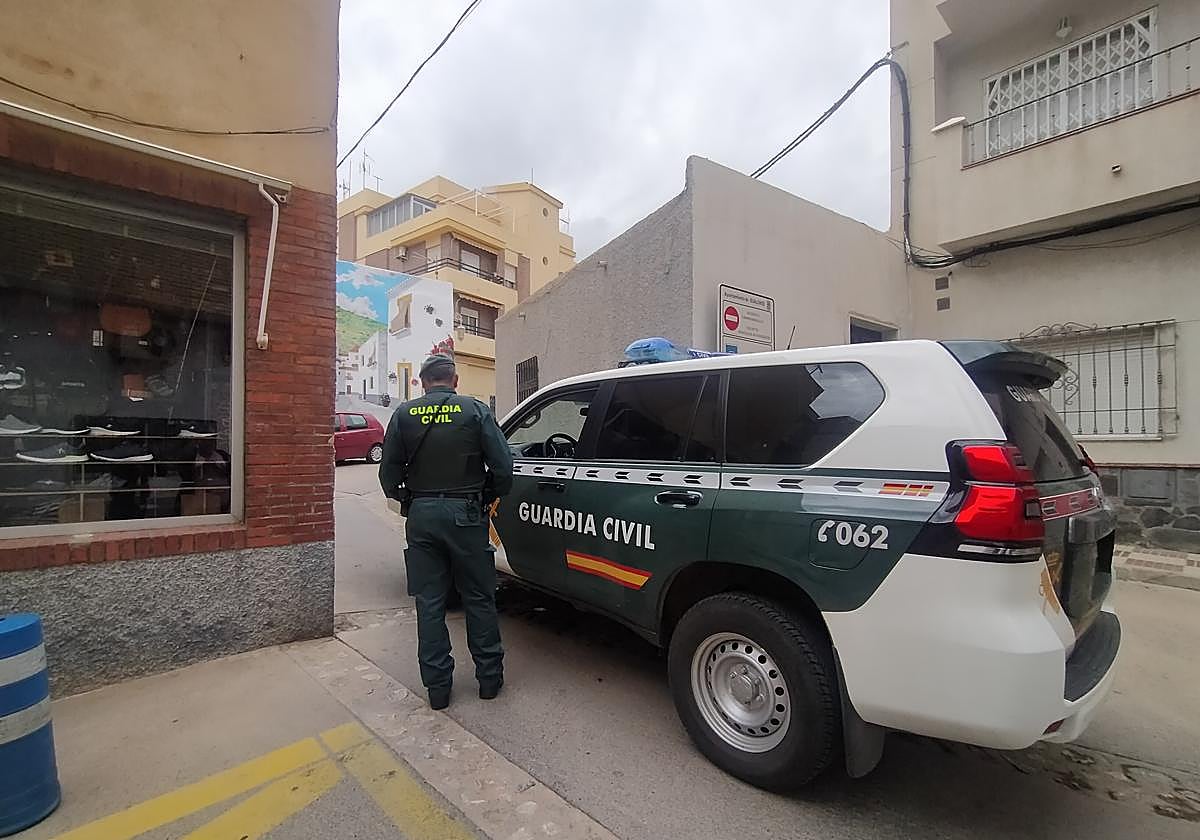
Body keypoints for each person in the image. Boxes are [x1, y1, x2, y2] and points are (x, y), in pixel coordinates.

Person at [378, 353, 514, 710]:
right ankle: (488, 681)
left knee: (429, 602)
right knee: (479, 598)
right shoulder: (475, 410)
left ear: (423, 383)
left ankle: (438, 690)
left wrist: (410, 499)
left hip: (422, 515)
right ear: (454, 381)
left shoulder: (404, 414)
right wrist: (485, 496)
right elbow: (503, 467)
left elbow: (388, 476)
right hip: (467, 514)